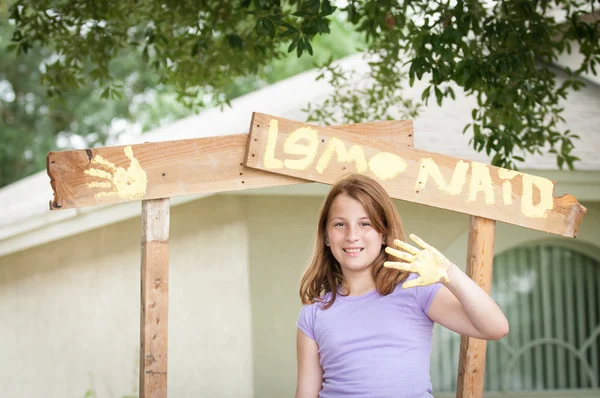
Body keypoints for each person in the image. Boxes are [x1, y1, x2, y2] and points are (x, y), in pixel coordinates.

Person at [295, 173, 509, 398]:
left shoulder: (415, 288)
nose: (352, 235)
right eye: (340, 224)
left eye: (365, 223)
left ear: (384, 232)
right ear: (326, 236)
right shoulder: (313, 314)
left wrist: (449, 273)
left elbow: (495, 327)